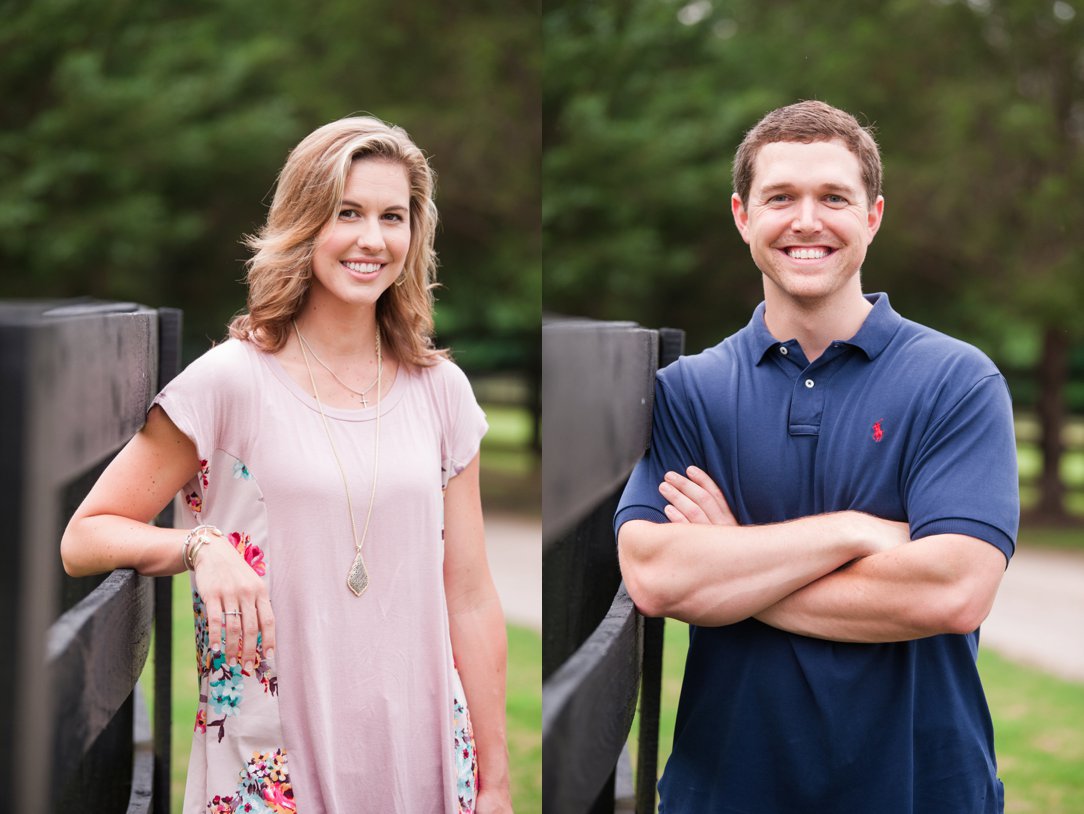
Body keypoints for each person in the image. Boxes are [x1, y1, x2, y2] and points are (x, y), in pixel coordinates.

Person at [61, 116, 513, 813]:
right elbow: (84, 535)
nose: (373, 238)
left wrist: (494, 783)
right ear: (304, 222)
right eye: (347, 212)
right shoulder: (229, 383)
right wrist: (199, 546)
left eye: (394, 216)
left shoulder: (441, 392)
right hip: (274, 767)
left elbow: (473, 596)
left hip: (422, 760)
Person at [615, 100, 1018, 813]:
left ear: (873, 216)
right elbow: (657, 577)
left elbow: (952, 592)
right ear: (743, 216)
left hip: (923, 789)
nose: (806, 221)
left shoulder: (957, 380)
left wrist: (735, 567)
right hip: (728, 791)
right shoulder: (689, 392)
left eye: (834, 197)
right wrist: (853, 532)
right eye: (781, 198)